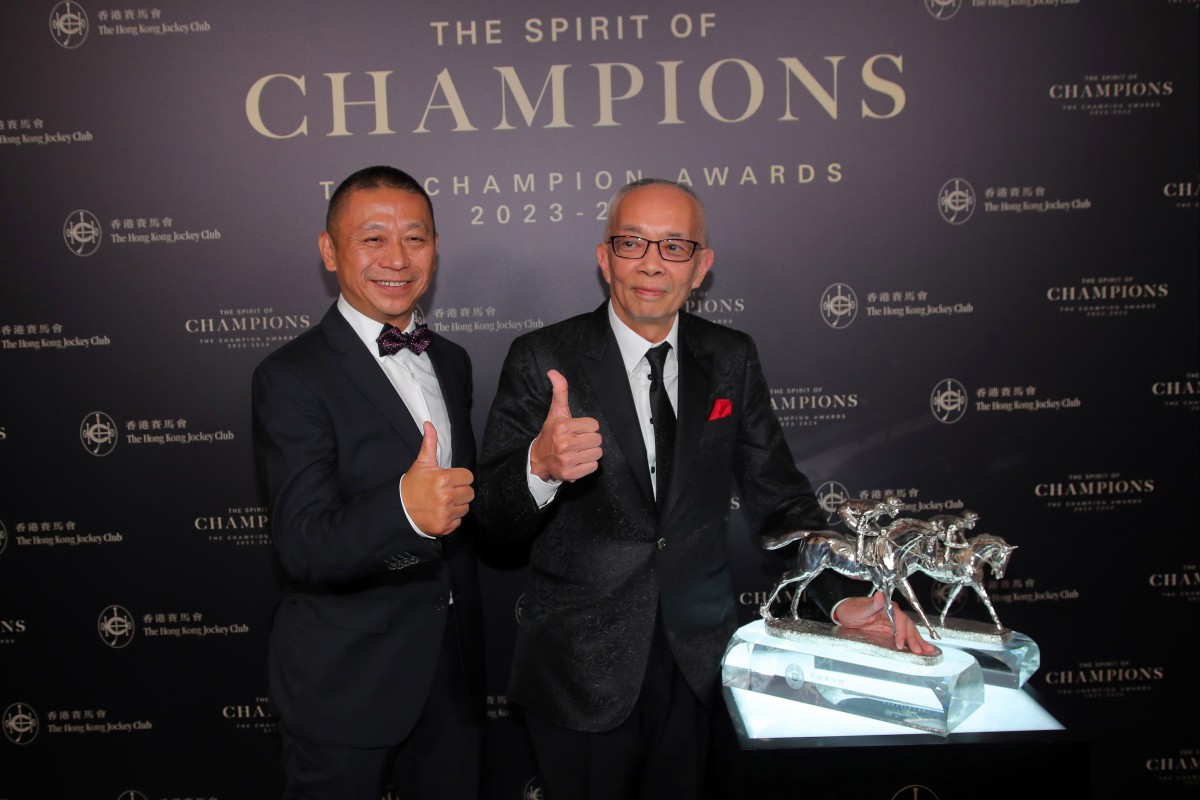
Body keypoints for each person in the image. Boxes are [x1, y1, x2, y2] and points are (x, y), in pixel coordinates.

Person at [475, 178, 933, 800]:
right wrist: (540, 466)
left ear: (702, 266)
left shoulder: (730, 357)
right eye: (633, 243)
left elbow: (782, 501)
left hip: (697, 665)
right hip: (579, 669)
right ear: (605, 256)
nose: (652, 264)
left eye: (674, 246)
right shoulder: (542, 357)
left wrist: (841, 597)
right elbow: (492, 527)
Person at [252, 166, 484, 799]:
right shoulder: (290, 375)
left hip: (452, 682)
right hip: (344, 684)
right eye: (372, 238)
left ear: (436, 248)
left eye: (416, 238)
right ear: (330, 252)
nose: (398, 258)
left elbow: (464, 509)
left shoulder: (453, 362)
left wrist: (536, 472)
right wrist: (404, 509)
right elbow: (301, 544)